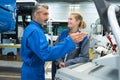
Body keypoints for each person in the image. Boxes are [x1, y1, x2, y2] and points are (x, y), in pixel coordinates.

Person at [20, 3, 87, 80]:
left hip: (34, 70)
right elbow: (46, 53)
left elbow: (84, 57)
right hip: (33, 73)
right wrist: (69, 42)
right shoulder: (35, 31)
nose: (47, 17)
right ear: (36, 14)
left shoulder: (33, 28)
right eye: (45, 14)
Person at [52, 13, 90, 80]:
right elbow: (55, 49)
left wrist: (66, 63)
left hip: (71, 72)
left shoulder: (82, 38)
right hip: (58, 69)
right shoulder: (63, 34)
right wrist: (60, 62)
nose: (68, 21)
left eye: (71, 19)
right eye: (68, 19)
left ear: (78, 22)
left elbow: (84, 57)